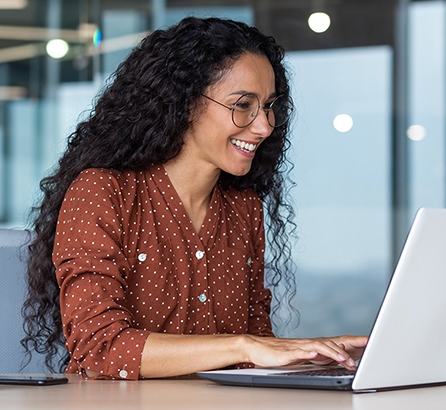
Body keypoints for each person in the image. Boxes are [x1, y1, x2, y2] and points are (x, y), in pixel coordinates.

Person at [21, 17, 367, 380]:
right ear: (185, 103)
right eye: (243, 104)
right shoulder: (102, 192)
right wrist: (242, 345)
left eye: (268, 106)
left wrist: (312, 356)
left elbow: (254, 353)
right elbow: (101, 349)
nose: (264, 125)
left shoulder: (244, 209)